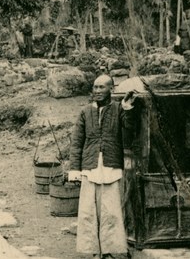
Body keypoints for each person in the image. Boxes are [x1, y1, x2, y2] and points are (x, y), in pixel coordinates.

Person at [66, 74, 138, 259]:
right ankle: (93, 251)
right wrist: (74, 170)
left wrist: (128, 109)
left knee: (111, 211)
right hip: (89, 167)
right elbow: (76, 143)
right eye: (95, 87)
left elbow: (130, 129)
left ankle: (110, 250)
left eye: (102, 87)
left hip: (111, 167)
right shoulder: (85, 112)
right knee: (88, 211)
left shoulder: (118, 109)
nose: (97, 91)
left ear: (110, 89)